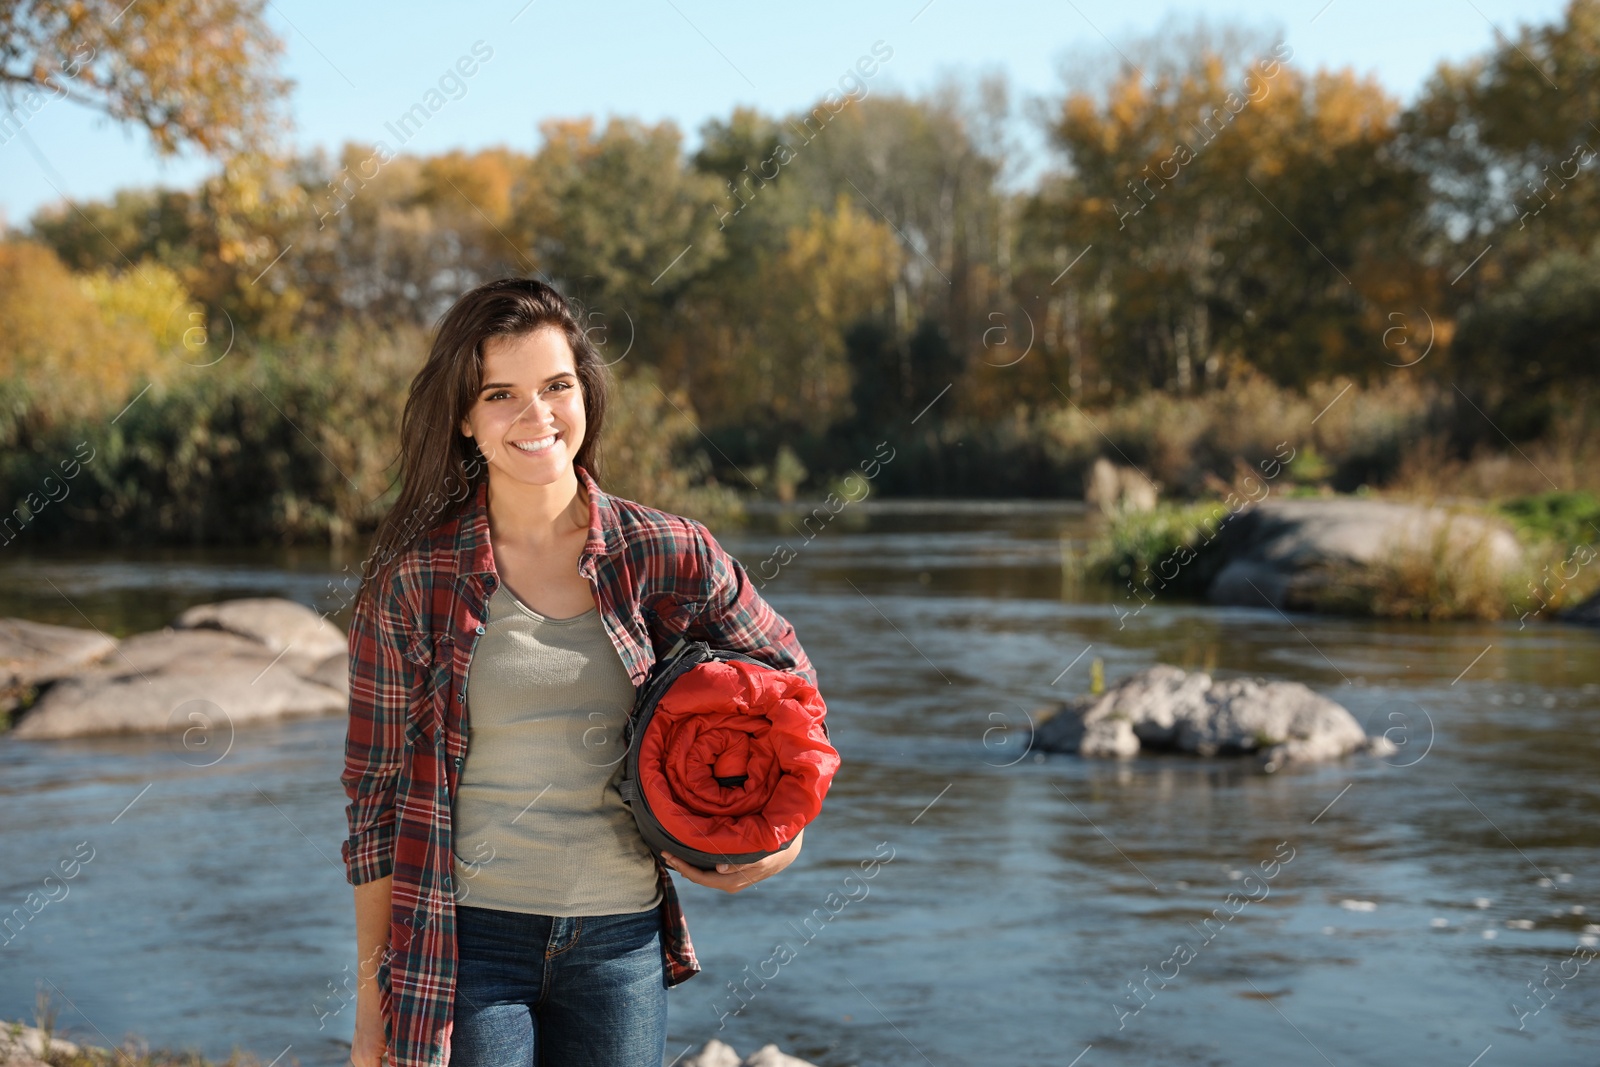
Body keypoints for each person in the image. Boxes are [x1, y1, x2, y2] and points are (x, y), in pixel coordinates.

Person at [340, 277, 818, 1067]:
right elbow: (374, 808)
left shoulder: (668, 552)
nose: (537, 416)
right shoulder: (412, 583)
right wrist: (371, 1009)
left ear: (584, 392)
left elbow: (796, 696)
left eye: (556, 385)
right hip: (467, 942)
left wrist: (775, 843)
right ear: (464, 417)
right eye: (501, 394)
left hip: (619, 941)